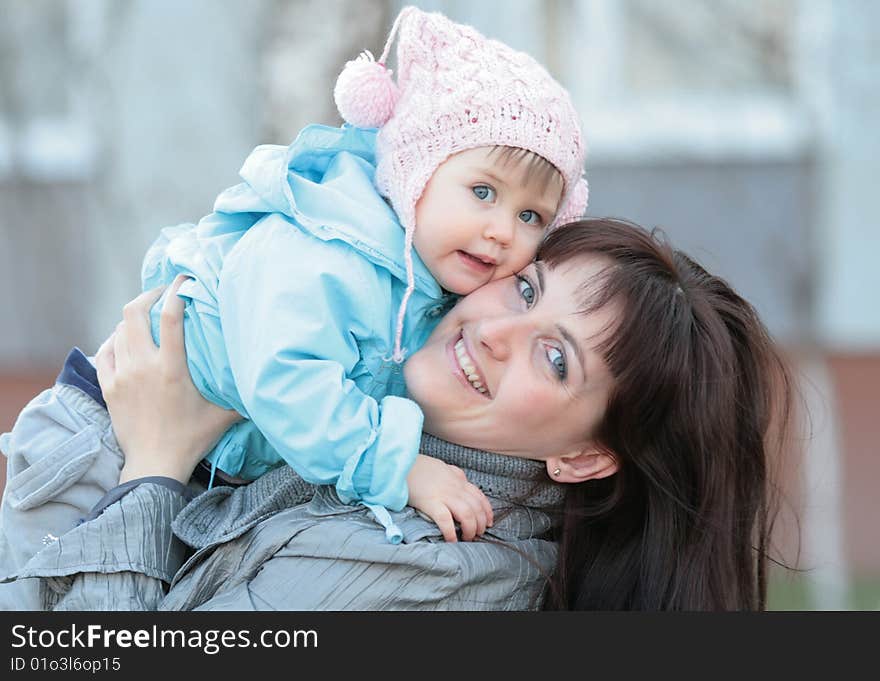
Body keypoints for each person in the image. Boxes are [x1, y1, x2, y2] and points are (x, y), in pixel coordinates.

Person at [0, 3, 588, 570]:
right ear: (417, 171)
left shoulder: (428, 280)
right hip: (101, 437)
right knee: (49, 624)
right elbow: (286, 375)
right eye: (483, 192)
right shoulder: (331, 246)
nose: (501, 231)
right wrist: (398, 466)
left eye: (531, 217)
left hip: (183, 458)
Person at [1, 218, 795, 611]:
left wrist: (155, 466)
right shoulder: (363, 429)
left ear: (585, 457)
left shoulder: (437, 573)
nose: (492, 331)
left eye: (555, 359)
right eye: (526, 288)